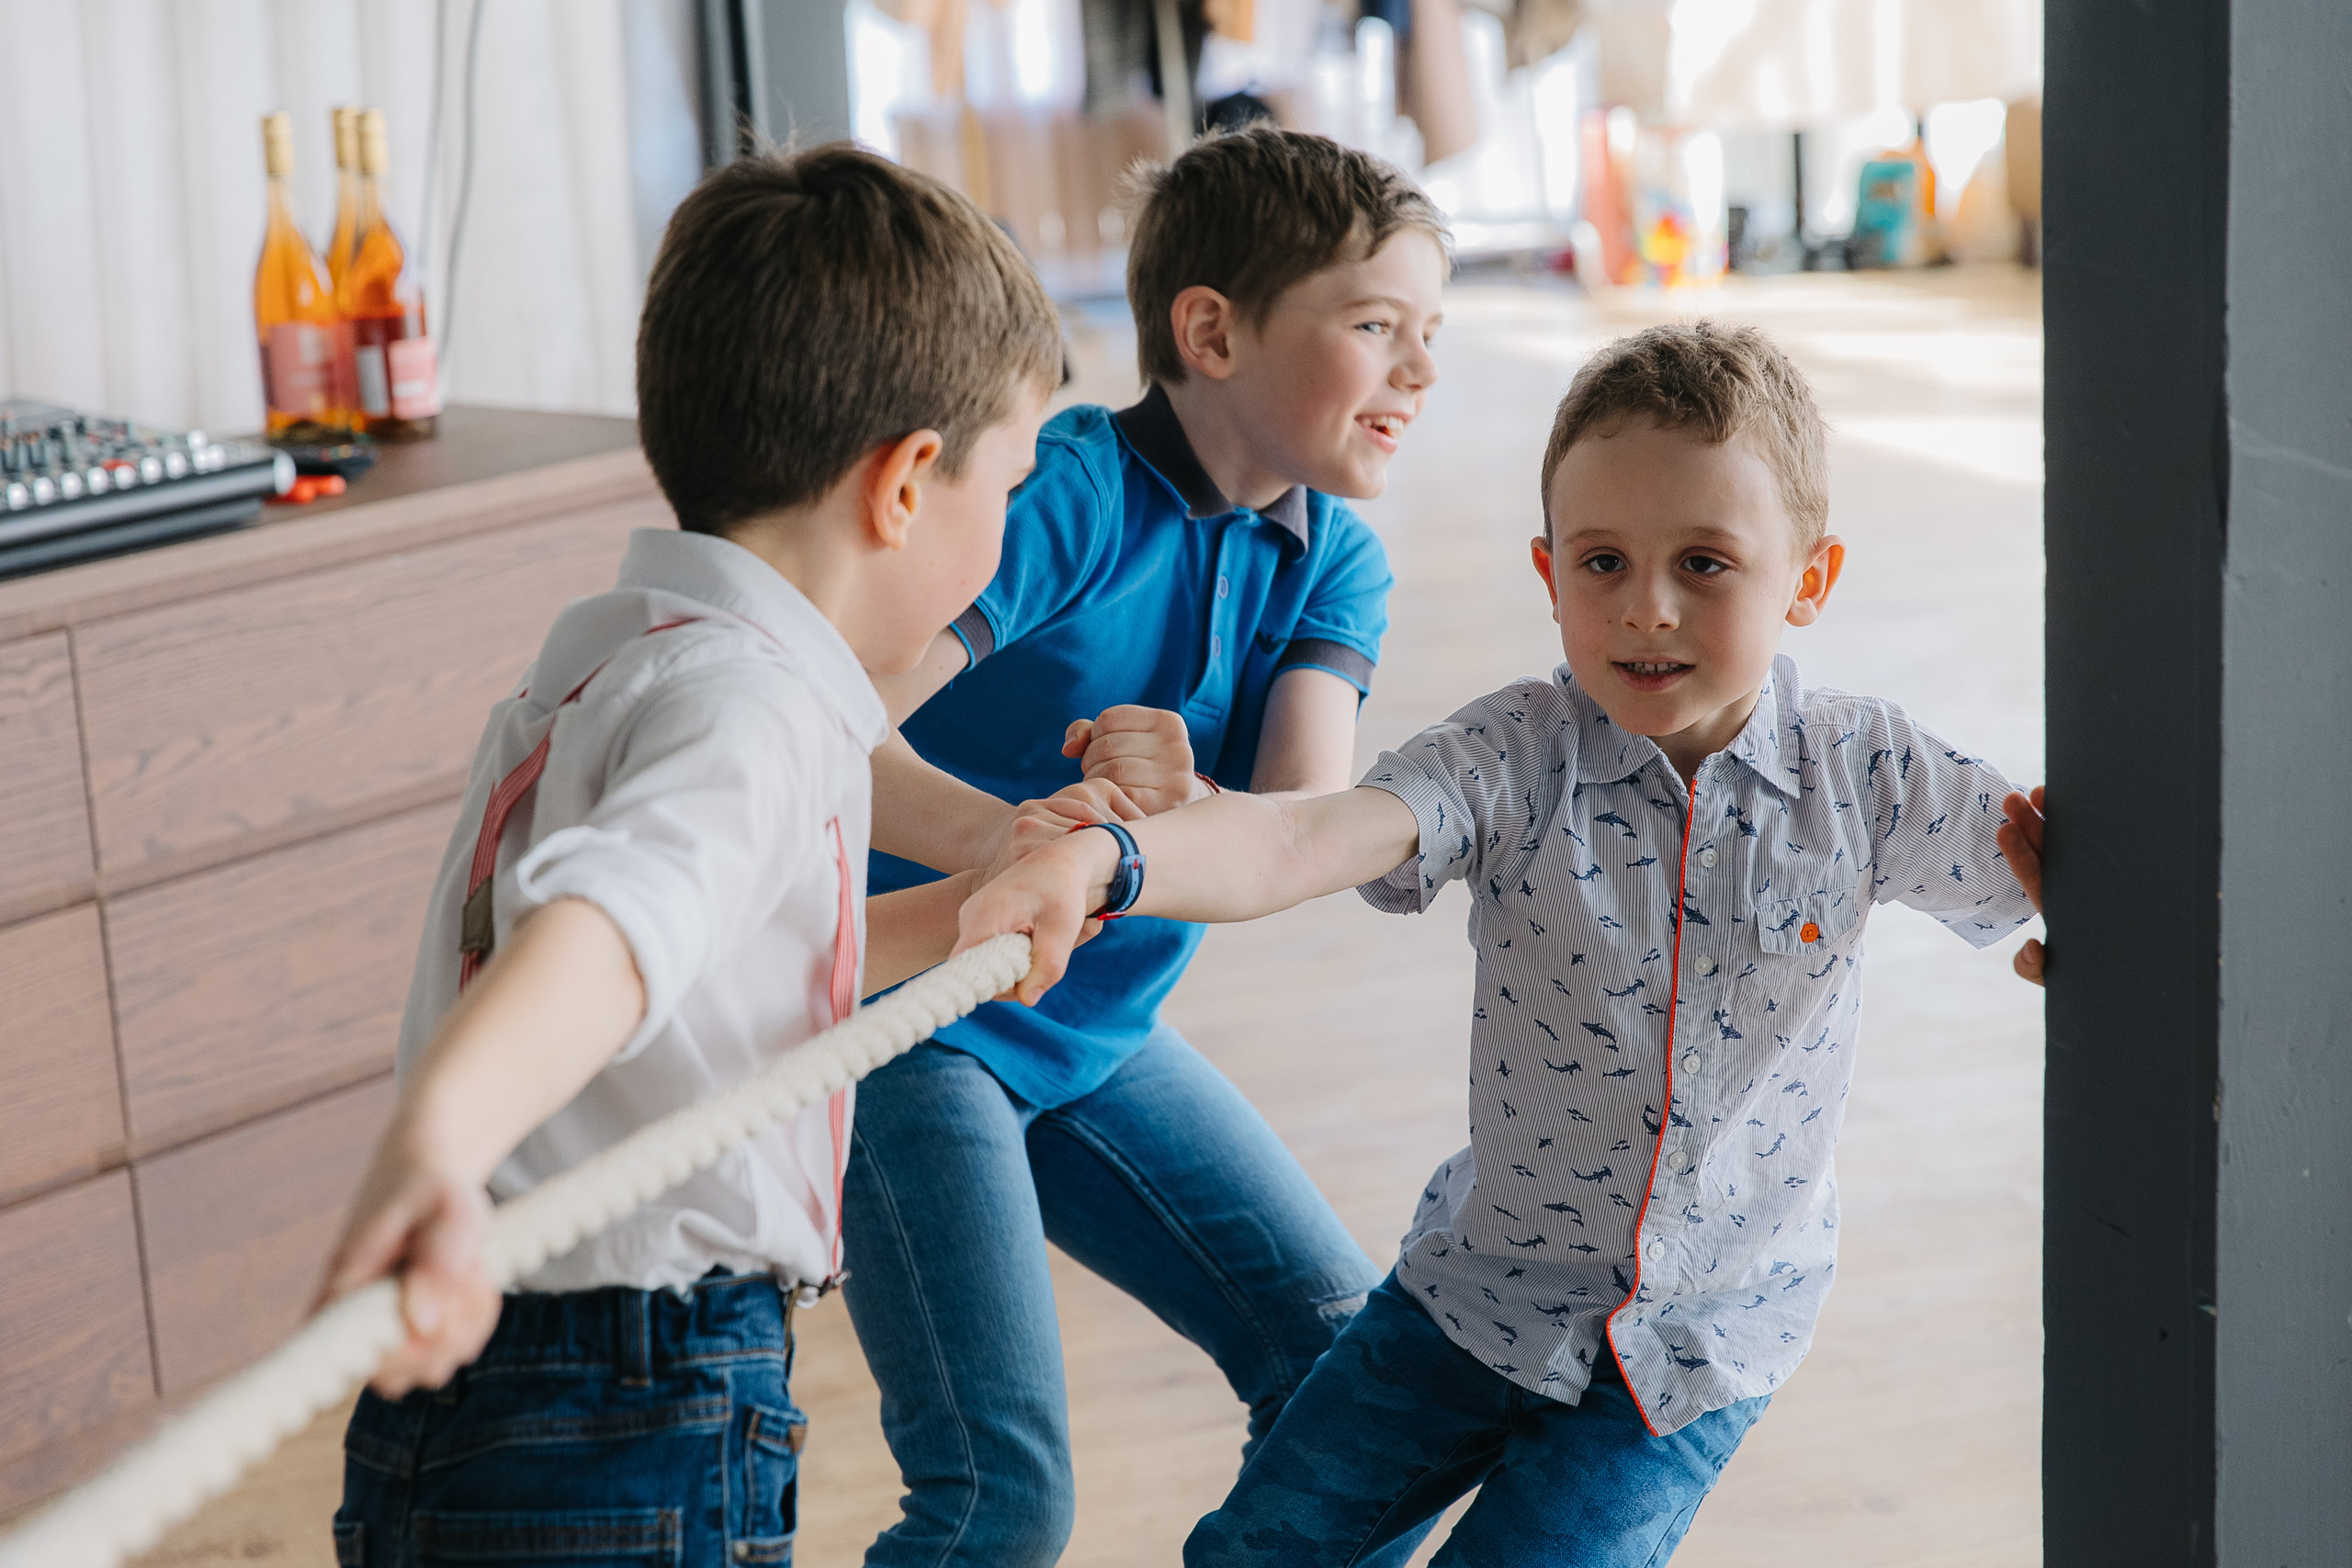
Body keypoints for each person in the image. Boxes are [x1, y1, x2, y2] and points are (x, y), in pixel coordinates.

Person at [958, 321, 2051, 1566]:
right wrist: (1114, 859)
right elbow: (1302, 843)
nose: (1646, 607)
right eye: (1602, 562)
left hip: (1698, 1353)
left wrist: (2098, 952)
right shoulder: (1514, 753)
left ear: (1808, 577)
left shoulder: (1870, 774)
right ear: (1547, 572)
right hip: (1476, 1298)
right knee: (1254, 1551)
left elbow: (2063, 865)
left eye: (1704, 563)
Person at [316, 146, 1063, 1568]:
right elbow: (614, 930)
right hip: (633, 1392)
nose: (1011, 532)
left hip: (495, 1377)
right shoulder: (757, 712)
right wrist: (436, 1148)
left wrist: (977, 915)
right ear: (907, 483)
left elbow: (724, 968)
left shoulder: (629, 666)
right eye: (1012, 484)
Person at [849, 124, 1450, 1566]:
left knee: (1343, 1389)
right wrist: (1010, 836)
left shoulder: (1335, 554)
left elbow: (1294, 829)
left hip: (1093, 1037)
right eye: (1377, 328)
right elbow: (837, 728)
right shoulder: (1065, 495)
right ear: (1210, 330)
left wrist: (1187, 800)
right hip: (915, 1021)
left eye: (1432, 334)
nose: (1419, 374)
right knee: (1000, 1501)